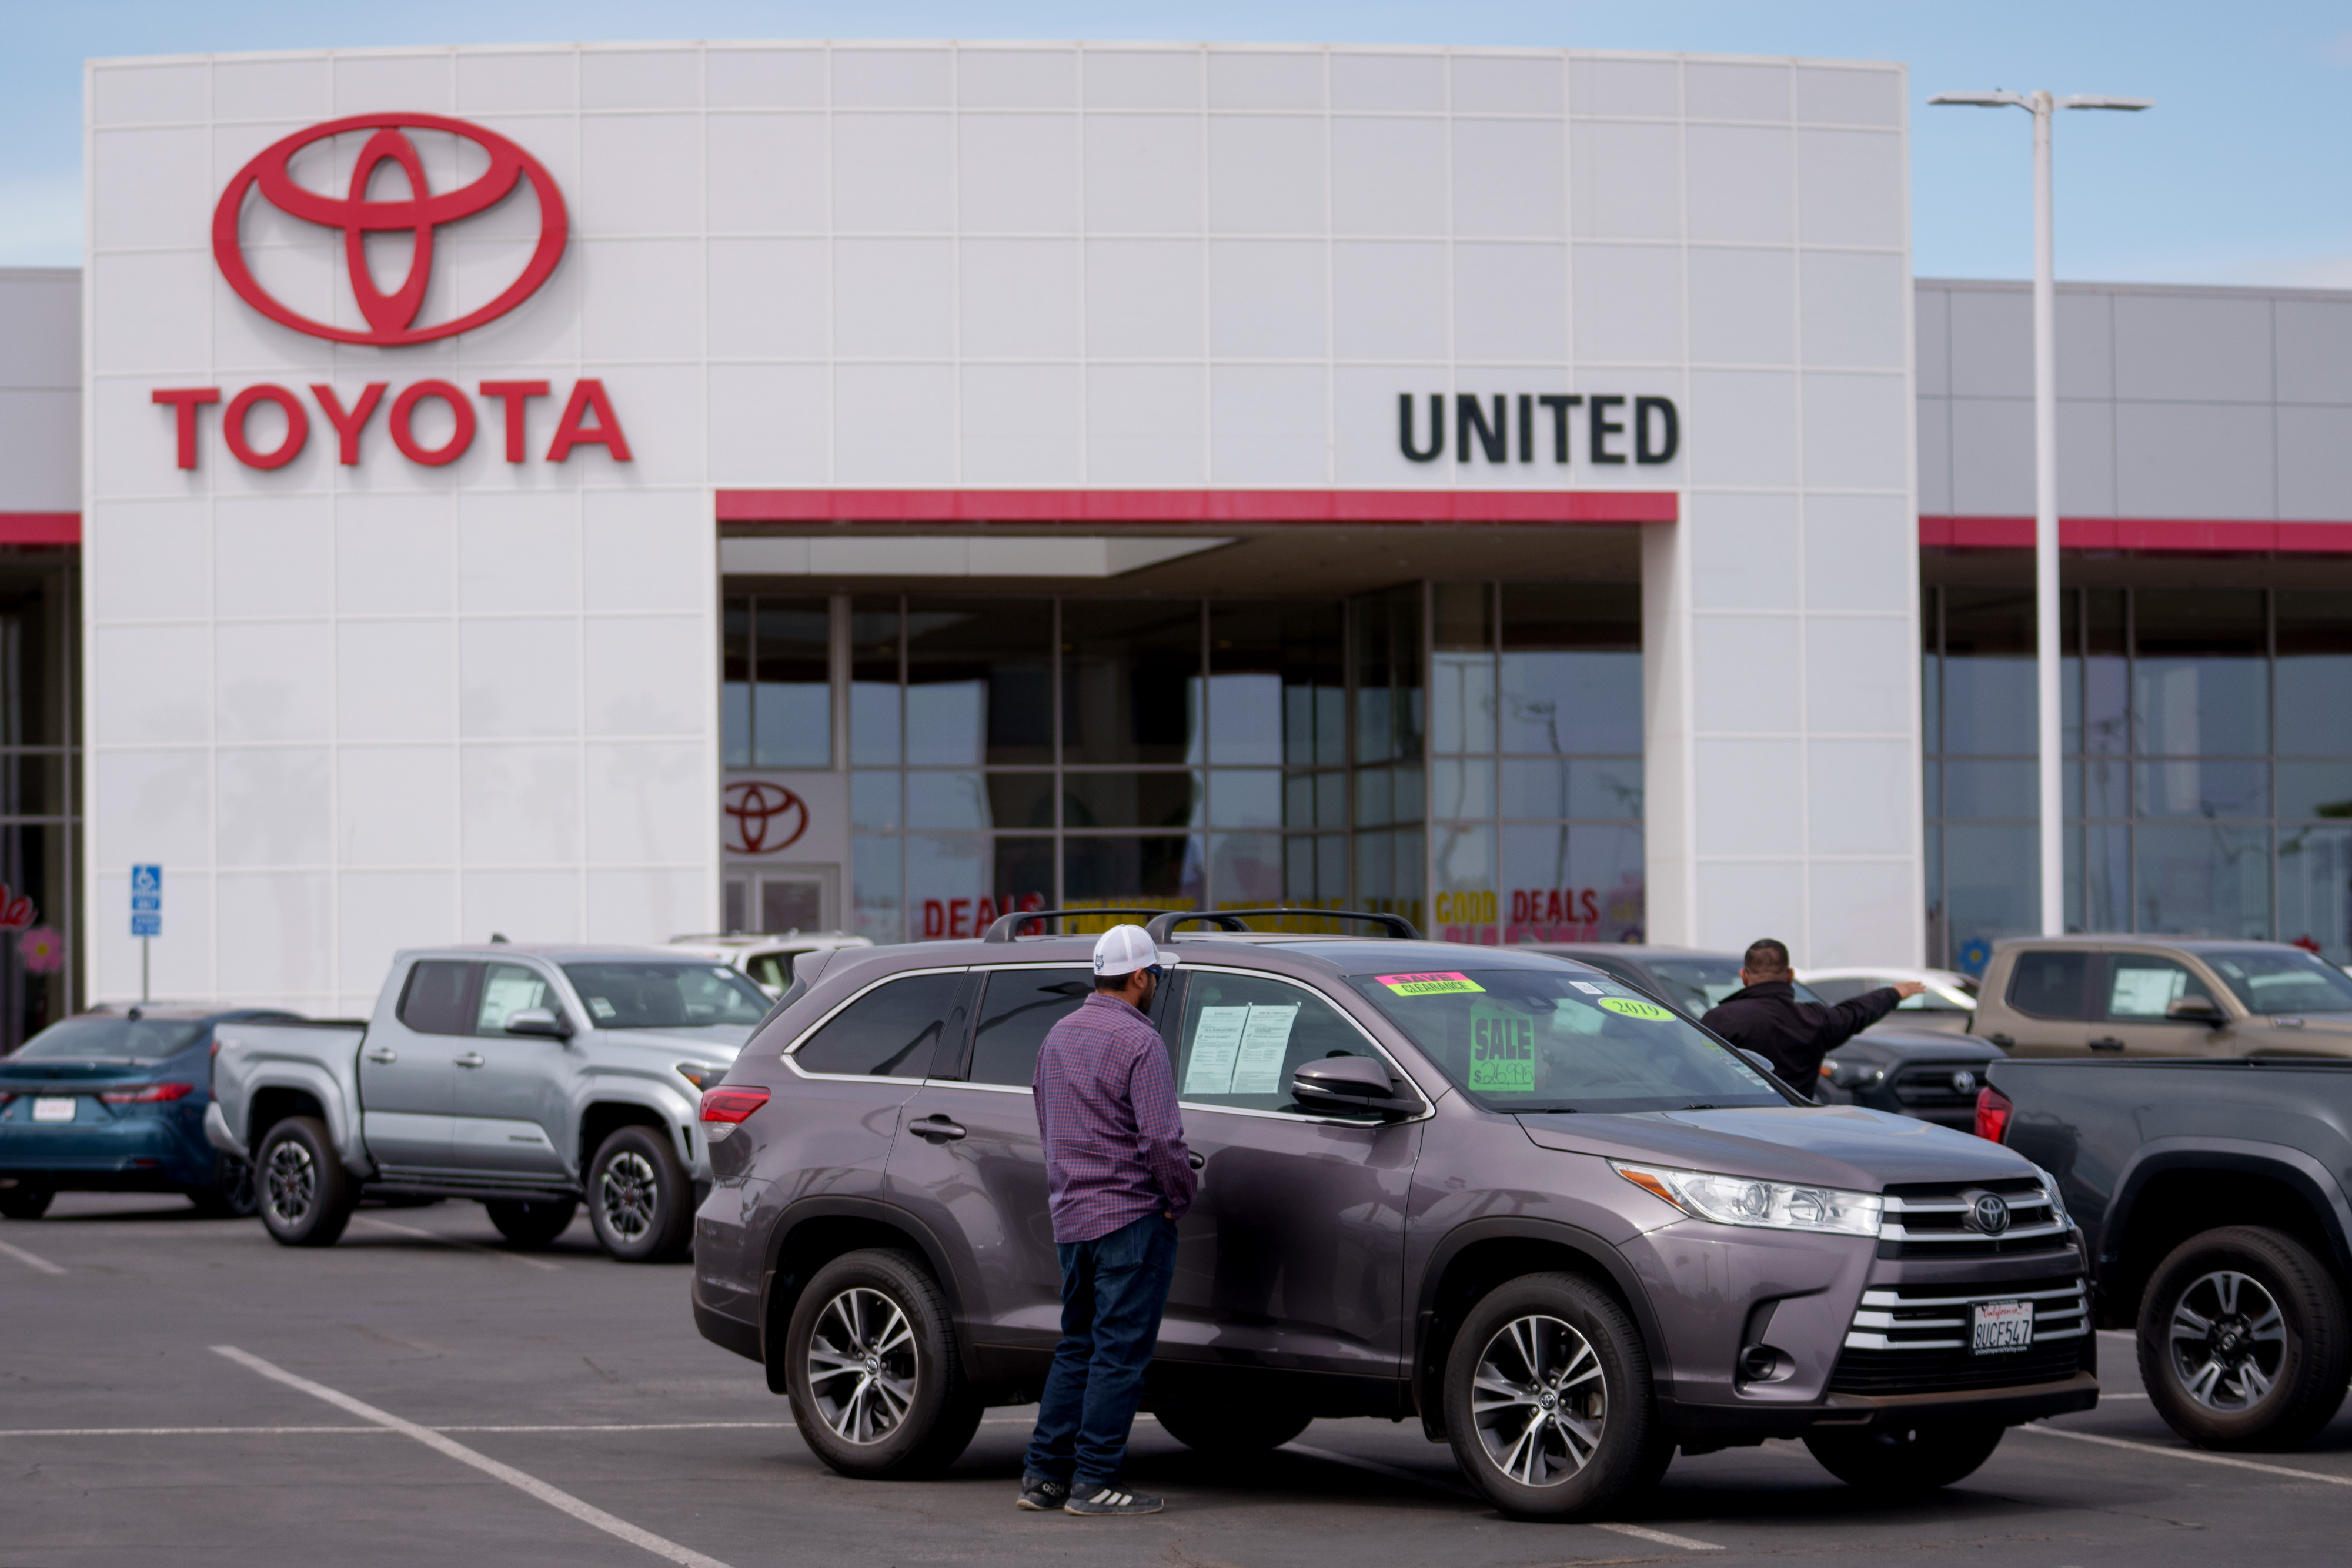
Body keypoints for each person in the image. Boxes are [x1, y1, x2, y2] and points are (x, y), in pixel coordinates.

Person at [1019, 923, 1196, 1517]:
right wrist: (1179, 1197)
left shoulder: (1057, 1036)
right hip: (1130, 1217)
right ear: (1141, 977)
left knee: (1078, 1345)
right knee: (1120, 1353)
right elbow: (1163, 1141)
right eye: (1156, 977)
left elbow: (1046, 1121)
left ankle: (1043, 1478)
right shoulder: (1141, 1042)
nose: (1155, 987)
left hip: (1073, 1217)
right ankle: (1095, 1481)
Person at [1700, 938, 1923, 1097]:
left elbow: (1692, 1073)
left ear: (1744, 976)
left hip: (1735, 1126)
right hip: (1799, 1126)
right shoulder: (1816, 1019)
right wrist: (1894, 993)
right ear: (1790, 976)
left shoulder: (1720, 1020)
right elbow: (1857, 1012)